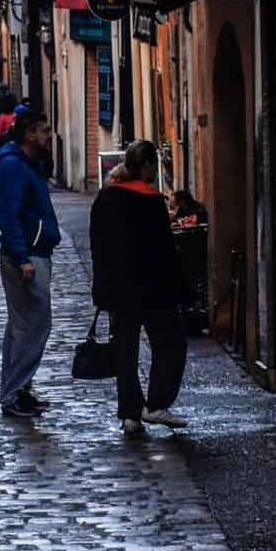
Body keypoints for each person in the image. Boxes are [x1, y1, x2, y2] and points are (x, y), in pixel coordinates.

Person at [88, 139, 189, 433]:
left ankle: (130, 413)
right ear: (145, 166)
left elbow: (98, 246)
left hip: (119, 287)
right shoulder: (150, 201)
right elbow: (164, 250)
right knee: (169, 344)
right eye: (153, 165)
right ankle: (156, 404)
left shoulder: (106, 198)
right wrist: (180, 288)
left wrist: (102, 285)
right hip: (153, 287)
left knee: (125, 350)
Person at [0, 108, 60, 417]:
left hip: (35, 251)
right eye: (45, 131)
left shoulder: (26, 163)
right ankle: (14, 393)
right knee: (31, 326)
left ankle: (20, 389)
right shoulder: (12, 166)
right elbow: (9, 215)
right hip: (27, 255)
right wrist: (22, 258)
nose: (50, 136)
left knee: (25, 325)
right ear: (30, 134)